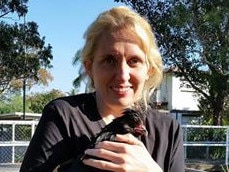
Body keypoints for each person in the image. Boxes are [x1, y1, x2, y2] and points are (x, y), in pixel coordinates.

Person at [20, 6, 185, 172]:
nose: (122, 75)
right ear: (90, 67)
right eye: (109, 60)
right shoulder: (63, 116)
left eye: (134, 60)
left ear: (149, 70)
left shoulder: (168, 130)